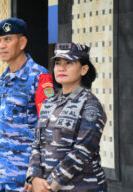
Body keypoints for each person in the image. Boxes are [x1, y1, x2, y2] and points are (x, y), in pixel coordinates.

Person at [23, 43, 107, 192]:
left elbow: (82, 152)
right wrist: (34, 177)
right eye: (57, 63)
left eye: (69, 63)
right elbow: (36, 143)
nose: (61, 68)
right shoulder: (49, 103)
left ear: (84, 69)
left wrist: (48, 185)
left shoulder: (90, 105)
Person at [0, 17, 54, 191]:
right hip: (3, 173)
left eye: (7, 39)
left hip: (27, 178)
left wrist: (38, 174)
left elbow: (49, 129)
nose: (1, 46)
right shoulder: (4, 79)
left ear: (22, 43)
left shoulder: (39, 77)